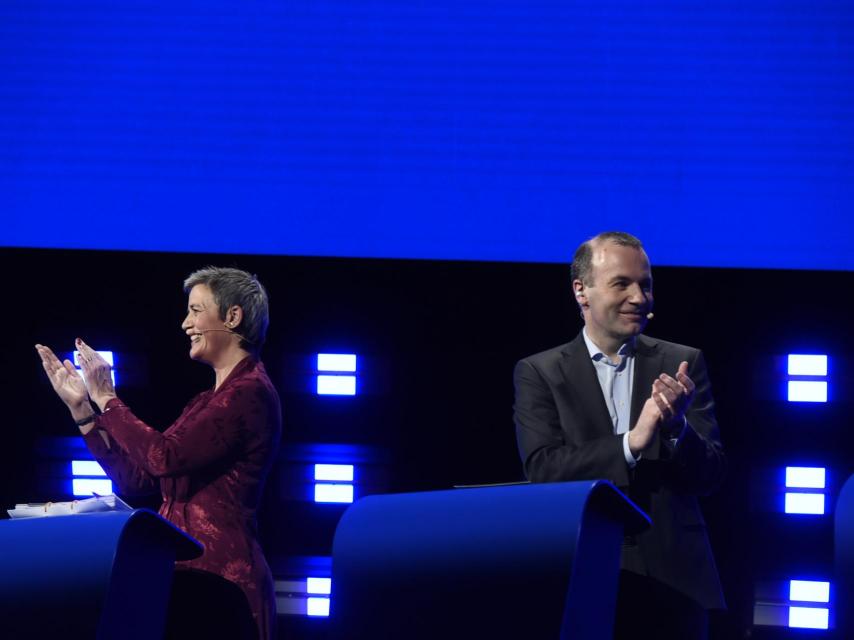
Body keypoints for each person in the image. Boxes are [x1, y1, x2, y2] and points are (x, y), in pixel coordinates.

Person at [35, 267, 281, 640]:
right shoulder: (206, 401)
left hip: (219, 584)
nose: (185, 323)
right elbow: (140, 478)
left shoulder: (249, 393)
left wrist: (107, 398)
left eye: (196, 311)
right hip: (178, 578)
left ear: (232, 317)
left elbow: (163, 457)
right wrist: (85, 412)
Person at [513, 232, 726, 640]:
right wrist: (632, 442)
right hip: (578, 572)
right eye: (621, 284)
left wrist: (678, 428)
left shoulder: (682, 363)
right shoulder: (539, 372)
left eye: (645, 285)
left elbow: (712, 475)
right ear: (582, 291)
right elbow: (542, 469)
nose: (639, 297)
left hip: (674, 580)